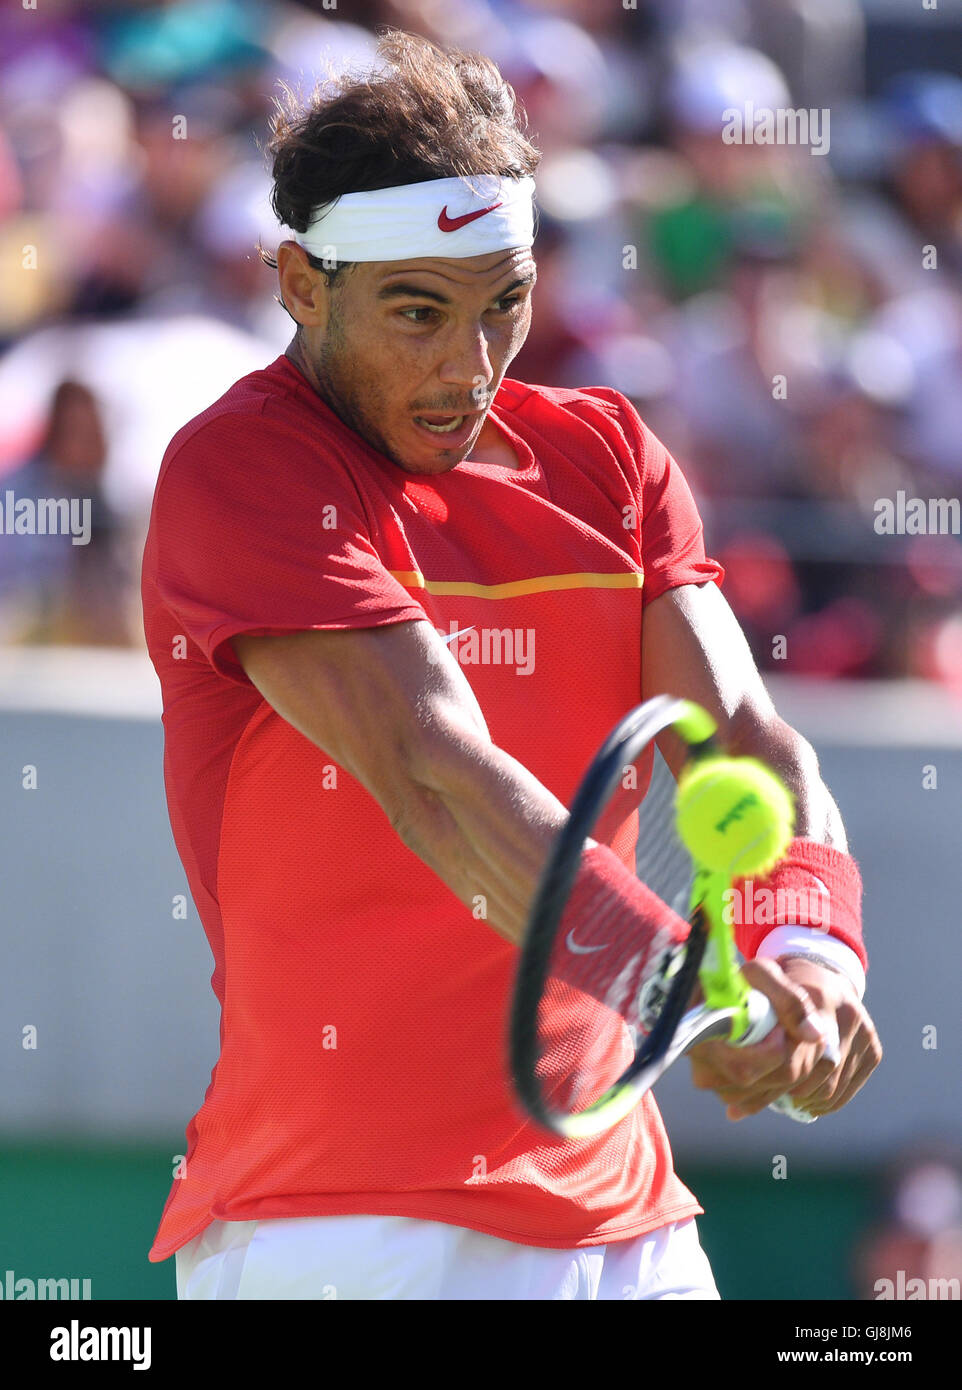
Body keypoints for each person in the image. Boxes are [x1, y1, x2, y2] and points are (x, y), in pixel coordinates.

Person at [141, 31, 881, 1301]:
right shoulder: (243, 471)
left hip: (633, 1226)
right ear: (300, 286)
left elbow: (747, 742)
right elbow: (438, 780)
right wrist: (685, 990)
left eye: (502, 303)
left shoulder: (609, 456)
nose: (466, 370)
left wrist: (807, 948)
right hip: (344, 1227)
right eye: (416, 312)